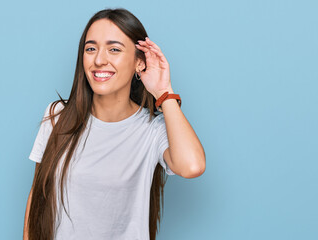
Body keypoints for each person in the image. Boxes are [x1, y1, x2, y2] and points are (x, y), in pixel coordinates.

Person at [23, 8, 206, 240]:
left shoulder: (152, 129)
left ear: (140, 62)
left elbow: (192, 166)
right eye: (91, 49)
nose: (99, 60)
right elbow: (37, 197)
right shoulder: (57, 116)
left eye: (114, 49)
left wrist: (164, 92)